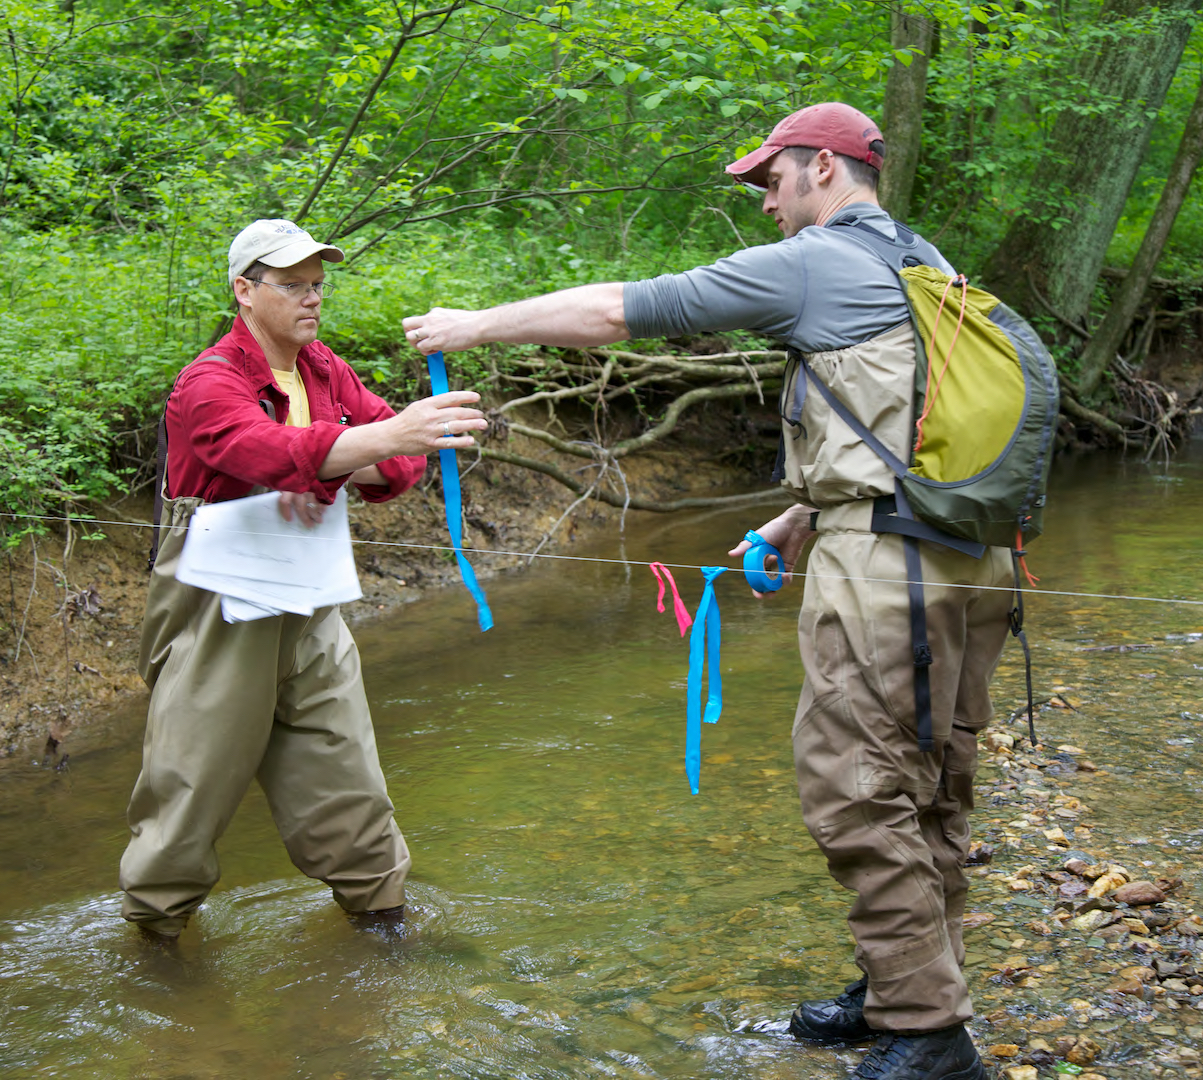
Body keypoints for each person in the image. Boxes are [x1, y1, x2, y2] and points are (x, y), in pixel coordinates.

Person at [400, 104, 1012, 1080]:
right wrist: (796, 518)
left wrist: (474, 327)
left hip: (886, 566)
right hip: (967, 555)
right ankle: (903, 987)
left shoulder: (817, 262)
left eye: (772, 177)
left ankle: (929, 1033)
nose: (765, 200)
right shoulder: (923, 263)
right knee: (929, 782)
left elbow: (622, 312)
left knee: (857, 783)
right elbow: (909, 430)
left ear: (824, 167)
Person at [120, 218, 488, 941]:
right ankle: (155, 950)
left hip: (312, 603)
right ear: (244, 290)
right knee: (189, 791)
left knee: (348, 777)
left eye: (317, 285)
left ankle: (385, 930)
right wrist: (367, 444)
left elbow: (401, 466)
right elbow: (253, 448)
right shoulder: (208, 380)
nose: (312, 298)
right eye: (292, 285)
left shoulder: (324, 368)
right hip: (218, 613)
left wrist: (351, 455)